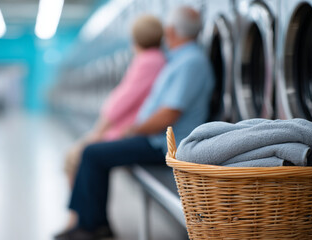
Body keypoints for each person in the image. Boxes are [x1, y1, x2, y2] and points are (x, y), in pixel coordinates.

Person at [55, 6, 215, 240]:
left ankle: (92, 226)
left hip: (167, 145)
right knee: (95, 153)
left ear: (171, 31)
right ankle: (92, 222)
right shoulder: (180, 59)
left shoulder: (190, 62)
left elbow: (169, 114)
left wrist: (133, 129)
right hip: (155, 138)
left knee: (92, 153)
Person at [64, 15, 166, 187]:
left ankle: (81, 214)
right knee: (78, 157)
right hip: (131, 128)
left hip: (128, 129)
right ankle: (79, 212)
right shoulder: (155, 59)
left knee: (75, 157)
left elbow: (123, 100)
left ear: (136, 38)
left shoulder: (148, 61)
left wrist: (98, 131)